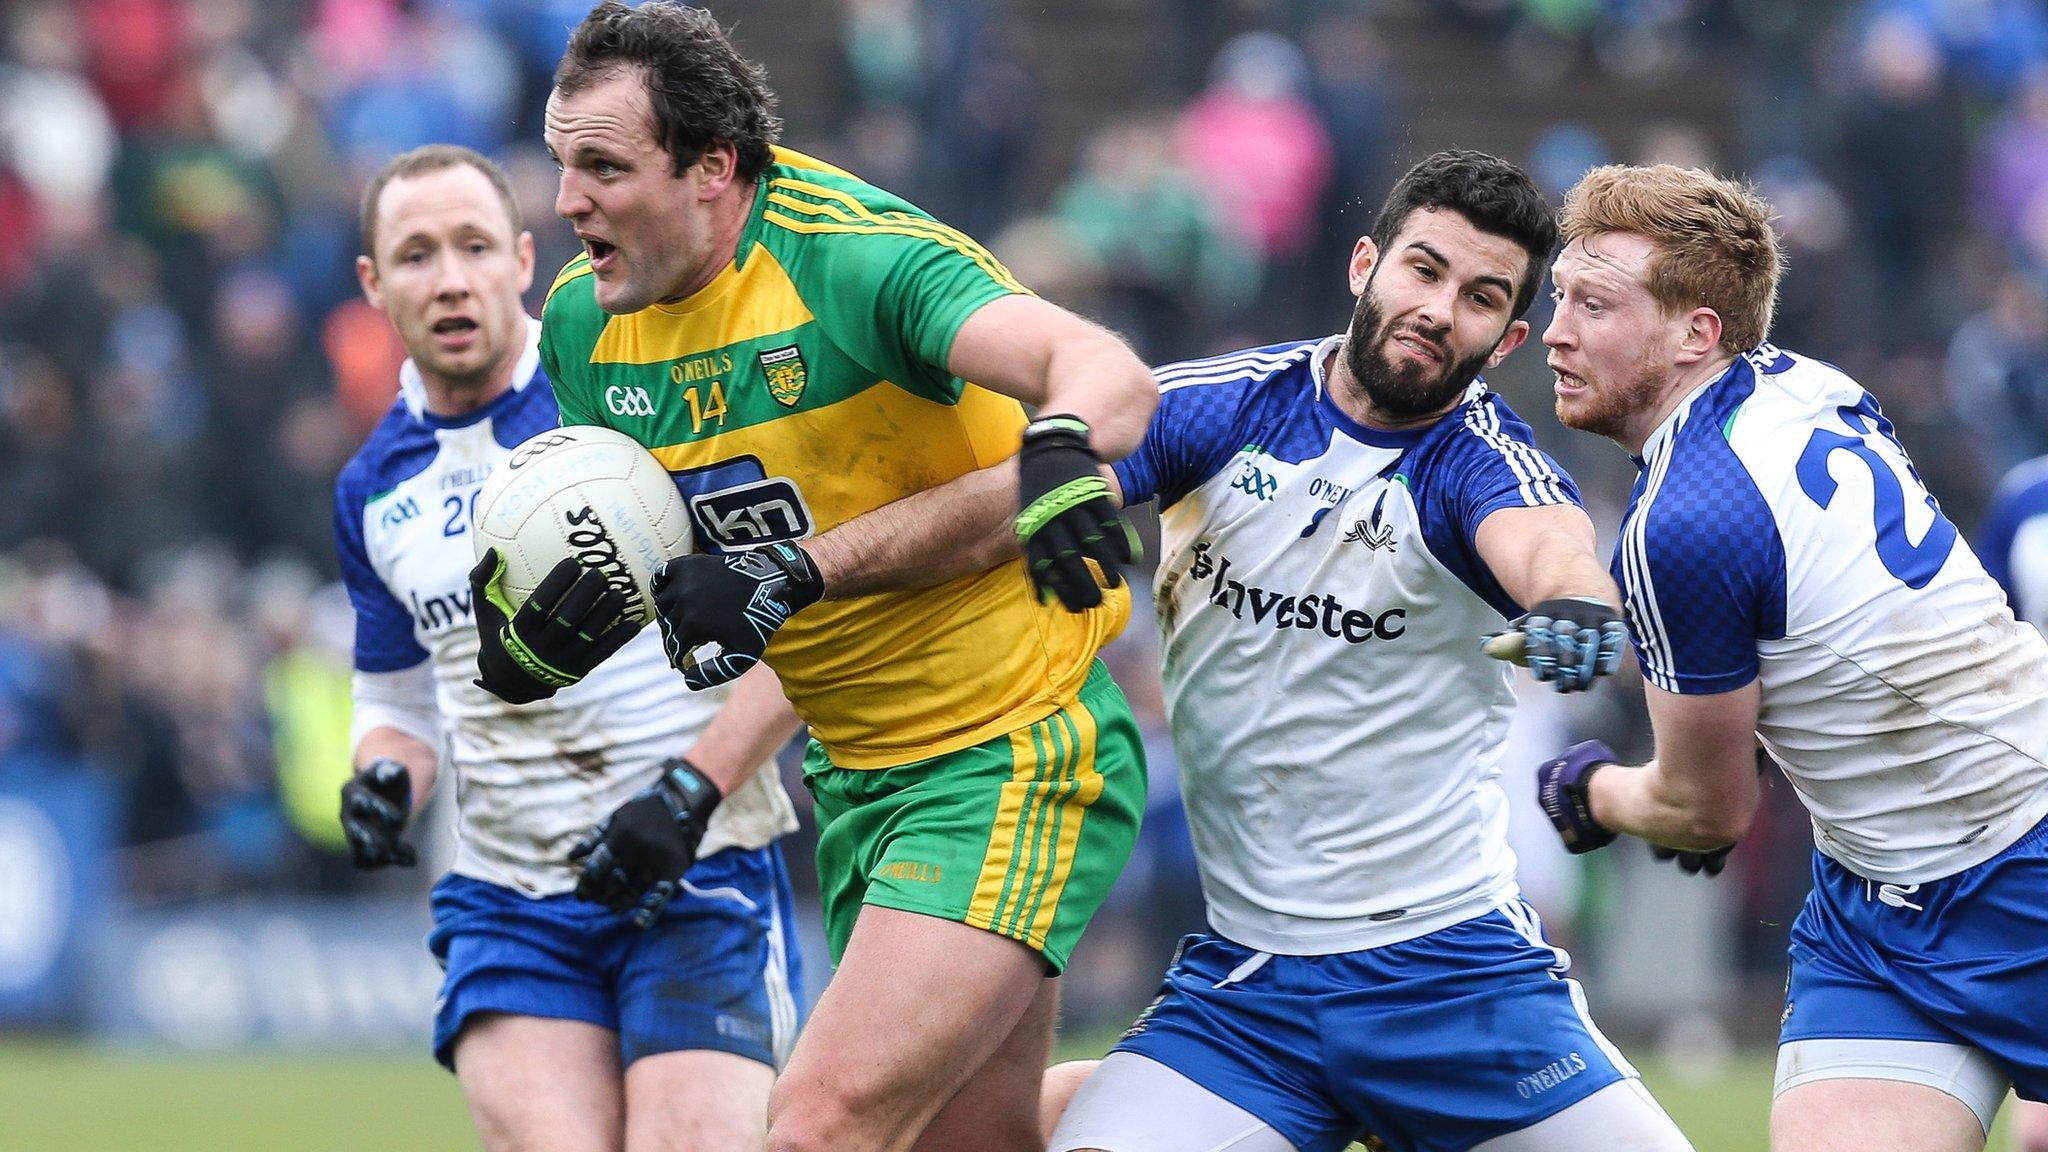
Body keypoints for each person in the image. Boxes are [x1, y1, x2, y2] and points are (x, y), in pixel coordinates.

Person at [468, 5, 1161, 1151]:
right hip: (854, 781)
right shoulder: (588, 333)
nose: (565, 202)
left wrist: (1056, 440)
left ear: (712, 171)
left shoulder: (852, 259)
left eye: (601, 166)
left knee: (816, 1125)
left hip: (1014, 746)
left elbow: (1104, 376)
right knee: (974, 1142)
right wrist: (585, 684)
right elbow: (744, 596)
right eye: (559, 163)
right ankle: (1264, 1105)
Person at [1032, 151, 1693, 1152]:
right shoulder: (1230, 405)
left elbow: (1550, 549)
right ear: (1362, 265)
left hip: (1455, 982)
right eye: (1421, 271)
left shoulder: (1476, 464)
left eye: (1478, 298)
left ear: (1508, 337)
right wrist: (1049, 477)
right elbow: (1061, 457)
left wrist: (1575, 603)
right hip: (1246, 995)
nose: (1437, 310)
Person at [1534, 163, 2048, 1152]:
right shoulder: (1805, 382)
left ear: (1696, 333)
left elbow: (1703, 811)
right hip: (1876, 914)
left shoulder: (1681, 522)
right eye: (1560, 297)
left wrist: (1587, 788)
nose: (1554, 331)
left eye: (1593, 304)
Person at [333, 143, 803, 1152]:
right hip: (508, 891)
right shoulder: (372, 487)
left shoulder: (633, 393)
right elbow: (400, 701)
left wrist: (688, 794)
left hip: (697, 862)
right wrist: (382, 779)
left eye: (470, 246)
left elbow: (798, 628)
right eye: (415, 255)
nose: (449, 277)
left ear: (519, 258)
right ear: (374, 283)